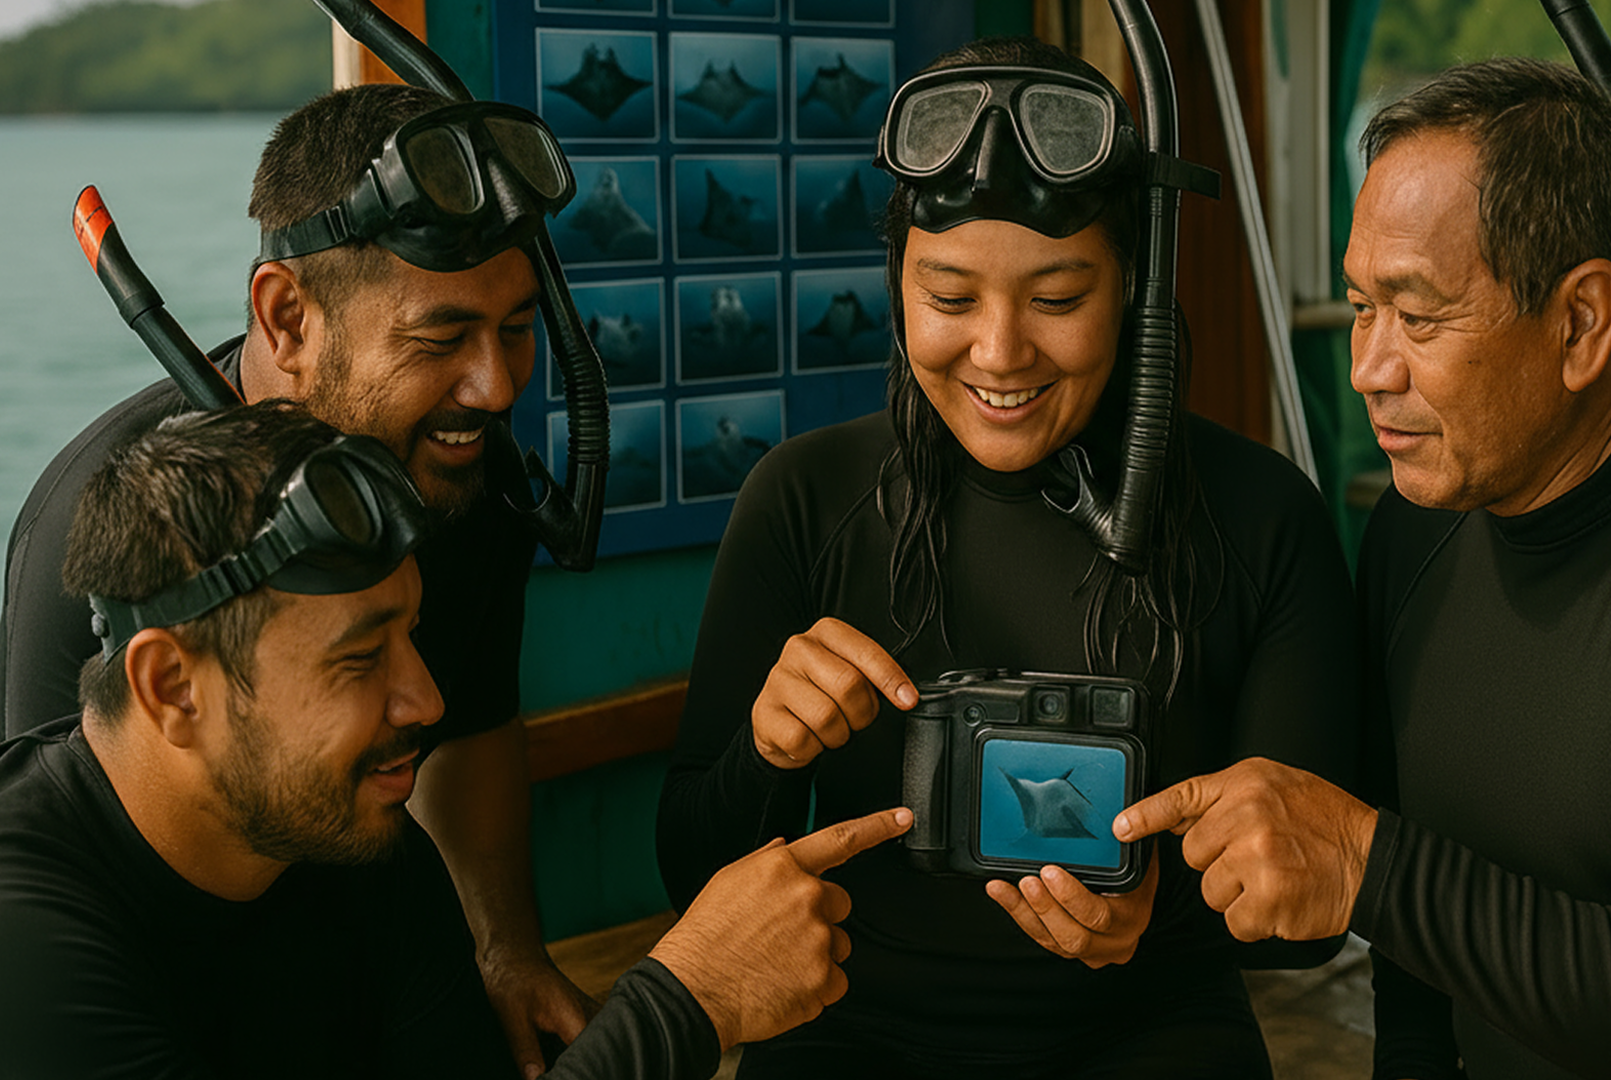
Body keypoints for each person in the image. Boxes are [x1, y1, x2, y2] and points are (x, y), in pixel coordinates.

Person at [1114, 57, 1611, 1078]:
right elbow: (1421, 982)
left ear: (1581, 321)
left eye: (1419, 315)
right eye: (1361, 306)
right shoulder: (1416, 534)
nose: (1369, 366)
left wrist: (1369, 862)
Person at [657, 36, 1357, 1079]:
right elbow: (690, 871)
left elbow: (1317, 918)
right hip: (854, 1027)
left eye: (1059, 299)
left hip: (1153, 1030)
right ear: (896, 286)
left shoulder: (1263, 517)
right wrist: (770, 754)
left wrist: (1157, 918)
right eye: (948, 298)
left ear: (1136, 291)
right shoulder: (803, 501)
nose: (998, 352)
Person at [0, 402, 912, 1080]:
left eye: (416, 637)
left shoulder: (365, 852)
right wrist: (686, 1002)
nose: (427, 700)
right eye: (361, 662)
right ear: (171, 688)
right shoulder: (28, 937)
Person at [0, 84, 589, 1070]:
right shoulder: (126, 542)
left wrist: (505, 953)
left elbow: (473, 714)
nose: (495, 388)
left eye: (519, 328)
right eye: (441, 339)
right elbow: (86, 848)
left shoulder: (459, 466)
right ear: (287, 319)